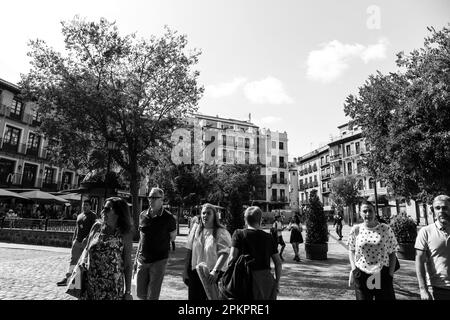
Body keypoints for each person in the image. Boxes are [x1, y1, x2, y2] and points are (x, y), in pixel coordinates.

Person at [79, 197, 133, 300]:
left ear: (118, 213)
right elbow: (85, 251)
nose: (103, 211)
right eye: (103, 208)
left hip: (112, 290)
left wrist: (128, 292)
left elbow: (127, 264)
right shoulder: (96, 227)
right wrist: (83, 263)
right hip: (90, 286)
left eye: (107, 209)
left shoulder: (124, 234)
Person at [347, 201, 399, 300]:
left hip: (381, 273)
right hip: (362, 273)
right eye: (364, 211)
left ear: (375, 212)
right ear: (360, 213)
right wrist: (354, 270)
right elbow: (351, 250)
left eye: (370, 211)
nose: (368, 214)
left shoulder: (385, 229)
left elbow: (392, 252)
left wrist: (390, 275)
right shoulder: (356, 229)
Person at [229, 206, 282, 299]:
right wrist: (277, 283)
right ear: (260, 220)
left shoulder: (238, 234)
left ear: (245, 219)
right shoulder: (268, 237)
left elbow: (232, 258)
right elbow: (278, 262)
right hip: (265, 281)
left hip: (244, 280)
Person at [133, 187, 177, 300]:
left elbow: (172, 237)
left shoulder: (169, 218)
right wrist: (135, 260)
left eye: (154, 197)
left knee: (152, 295)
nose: (151, 200)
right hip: (142, 260)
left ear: (162, 200)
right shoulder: (142, 215)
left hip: (159, 260)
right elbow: (141, 239)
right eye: (150, 197)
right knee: (140, 294)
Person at [183, 203, 231, 300]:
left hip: (212, 276)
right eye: (203, 213)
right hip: (195, 274)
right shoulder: (196, 230)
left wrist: (215, 271)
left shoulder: (221, 232)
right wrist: (185, 271)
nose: (205, 215)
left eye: (208, 213)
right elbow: (189, 251)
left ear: (214, 216)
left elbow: (224, 253)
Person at [415, 194, 450, 300]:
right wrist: (423, 289)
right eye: (437, 208)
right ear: (433, 210)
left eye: (445, 208)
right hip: (437, 289)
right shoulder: (426, 232)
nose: (441, 211)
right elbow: (419, 261)